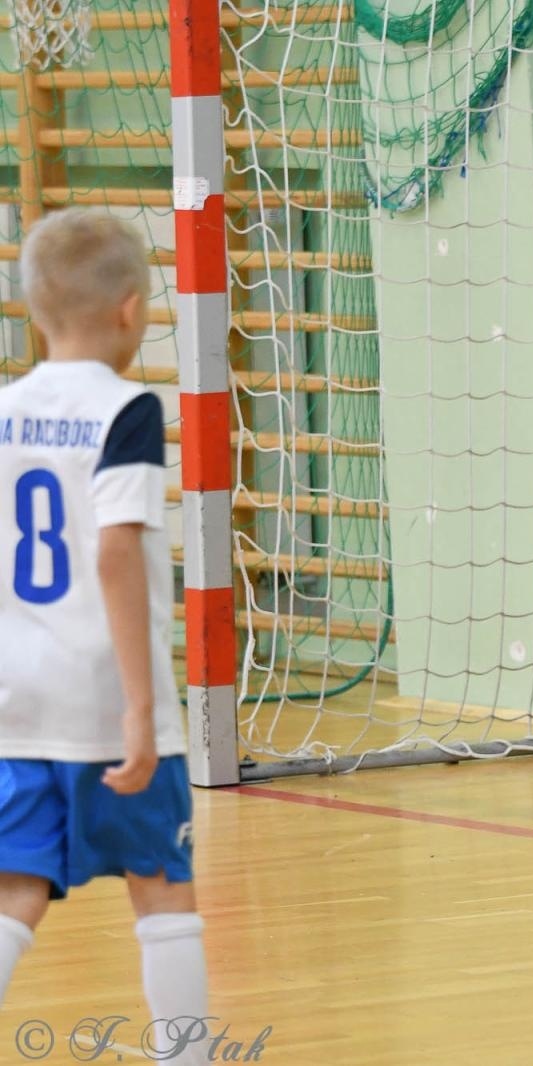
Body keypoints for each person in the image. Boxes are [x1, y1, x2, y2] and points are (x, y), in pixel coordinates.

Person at [0, 210, 209, 1057]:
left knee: (15, 889)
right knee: (162, 887)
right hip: (104, 696)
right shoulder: (127, 411)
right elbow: (116, 550)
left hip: (17, 699)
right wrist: (137, 709)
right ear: (131, 310)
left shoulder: (6, 410)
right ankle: (188, 1053)